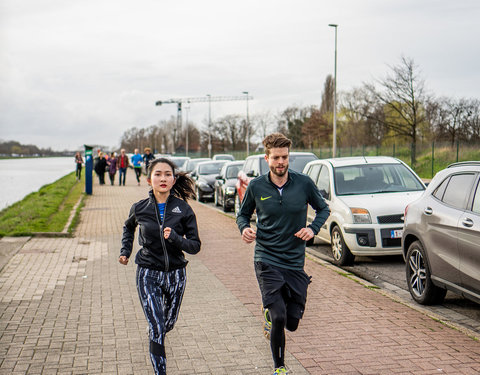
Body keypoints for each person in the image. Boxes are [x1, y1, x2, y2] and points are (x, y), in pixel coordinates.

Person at [236, 133, 330, 375]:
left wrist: (312, 229)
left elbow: (323, 209)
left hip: (294, 260)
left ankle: (271, 313)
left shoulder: (304, 183)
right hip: (266, 258)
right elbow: (242, 214)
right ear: (266, 158)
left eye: (285, 157)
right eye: (276, 157)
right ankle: (280, 368)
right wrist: (245, 228)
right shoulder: (257, 186)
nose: (281, 162)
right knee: (278, 317)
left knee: (292, 323)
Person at [119, 158, 201, 375]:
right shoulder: (139, 208)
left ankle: (156, 330)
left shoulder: (184, 209)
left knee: (168, 324)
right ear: (149, 179)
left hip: (176, 274)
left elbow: (195, 246)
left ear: (173, 180)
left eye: (167, 174)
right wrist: (125, 251)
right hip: (148, 273)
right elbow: (128, 229)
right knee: (157, 328)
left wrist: (176, 238)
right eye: (158, 174)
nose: (163, 178)